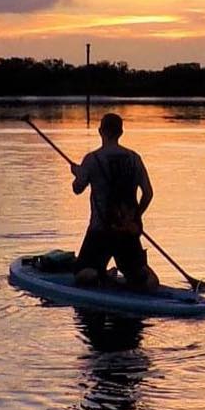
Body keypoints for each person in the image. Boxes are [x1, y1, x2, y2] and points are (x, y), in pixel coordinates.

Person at [70, 112, 158, 291]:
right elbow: (148, 193)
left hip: (100, 231)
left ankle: (100, 275)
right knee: (144, 277)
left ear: (100, 131)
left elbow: (77, 189)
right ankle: (143, 279)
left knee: (81, 274)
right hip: (128, 231)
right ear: (121, 132)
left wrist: (79, 174)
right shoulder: (134, 158)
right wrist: (135, 217)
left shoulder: (92, 159)